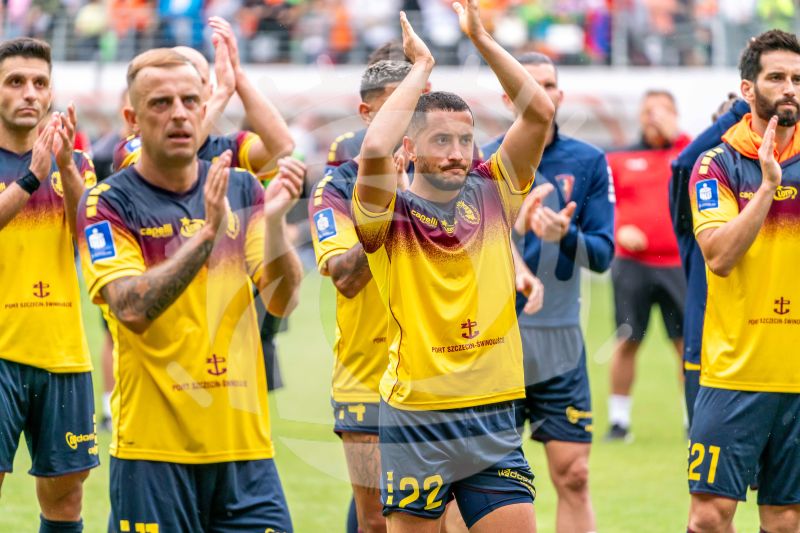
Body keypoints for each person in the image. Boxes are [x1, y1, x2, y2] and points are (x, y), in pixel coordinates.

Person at [76, 48, 303, 531]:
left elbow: (282, 298)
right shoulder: (108, 204)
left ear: (206, 108)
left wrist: (278, 223)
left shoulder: (243, 189)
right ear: (132, 119)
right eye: (160, 103)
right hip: (153, 455)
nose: (178, 113)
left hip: (245, 451)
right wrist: (207, 235)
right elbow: (130, 308)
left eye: (189, 100)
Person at [353, 2, 554, 530]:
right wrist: (421, 67)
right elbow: (375, 147)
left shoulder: (493, 192)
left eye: (465, 140)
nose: (457, 152)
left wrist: (482, 39)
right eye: (441, 140)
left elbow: (537, 114)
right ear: (412, 147)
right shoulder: (386, 215)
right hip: (417, 414)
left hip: (491, 413)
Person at [483, 51, 614, 533]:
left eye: (550, 84)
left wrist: (566, 236)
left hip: (560, 338)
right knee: (484, 484)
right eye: (530, 84)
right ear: (507, 96)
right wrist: (510, 236)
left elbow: (603, 253)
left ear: (560, 94)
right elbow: (459, 246)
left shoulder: (588, 161)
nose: (543, 93)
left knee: (575, 476)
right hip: (497, 341)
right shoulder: (484, 162)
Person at [687, 29, 800, 533]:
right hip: (735, 375)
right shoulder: (717, 164)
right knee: (709, 518)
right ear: (748, 90)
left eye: (798, 78)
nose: (790, 88)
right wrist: (768, 188)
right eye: (777, 77)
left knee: (785, 520)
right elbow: (720, 257)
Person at [309, 58, 413, 533]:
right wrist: (394, 206)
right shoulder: (338, 186)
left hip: (440, 376)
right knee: (375, 522)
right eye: (393, 104)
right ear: (367, 113)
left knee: (451, 520)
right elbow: (345, 277)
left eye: (413, 103)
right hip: (366, 379)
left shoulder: (452, 176)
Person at [0, 37, 99, 532]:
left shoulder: (75, 164)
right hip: (1, 353)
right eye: (15, 82)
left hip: (63, 353)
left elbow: (94, 233)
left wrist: (61, 165)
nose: (30, 93)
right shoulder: (25, 170)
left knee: (65, 501)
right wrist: (32, 178)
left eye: (40, 83)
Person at [605, 89, 691, 440]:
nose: (653, 116)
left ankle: (694, 419)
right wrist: (619, 229)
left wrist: (678, 135)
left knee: (687, 344)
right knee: (627, 340)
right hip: (633, 265)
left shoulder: (688, 154)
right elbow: (604, 203)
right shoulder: (619, 158)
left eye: (662, 110)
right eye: (647, 110)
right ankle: (619, 421)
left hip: (677, 264)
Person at [113, 16, 294, 181]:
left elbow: (282, 148)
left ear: (210, 91)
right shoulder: (135, 146)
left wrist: (238, 75)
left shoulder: (232, 147)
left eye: (196, 80)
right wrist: (224, 92)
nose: (183, 93)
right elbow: (170, 163)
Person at [668, 94, 749, 425]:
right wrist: (742, 108)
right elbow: (685, 163)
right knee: (710, 472)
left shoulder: (766, 192)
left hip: (763, 346)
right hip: (708, 348)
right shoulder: (696, 194)